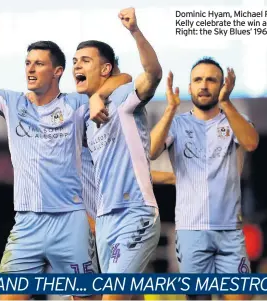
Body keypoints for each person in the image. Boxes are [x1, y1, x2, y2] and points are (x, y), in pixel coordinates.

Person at [0, 14, 131, 301]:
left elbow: (124, 78)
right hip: (27, 224)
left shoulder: (76, 104)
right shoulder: (10, 102)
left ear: (58, 72)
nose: (31, 69)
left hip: (70, 222)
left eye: (39, 64)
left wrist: (97, 96)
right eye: (27, 63)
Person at [150, 58, 259, 300]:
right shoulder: (177, 123)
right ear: (189, 87)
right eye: (198, 80)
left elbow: (251, 142)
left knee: (241, 298)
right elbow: (151, 151)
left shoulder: (233, 120)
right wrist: (169, 109)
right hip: (192, 231)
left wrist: (226, 103)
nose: (204, 85)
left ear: (222, 86)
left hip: (229, 229)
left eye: (211, 80)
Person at [73, 7, 162, 300]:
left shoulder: (123, 98)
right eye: (75, 62)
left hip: (135, 212)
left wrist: (135, 31)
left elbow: (152, 74)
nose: (77, 66)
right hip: (105, 220)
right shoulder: (86, 119)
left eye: (85, 61)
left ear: (105, 69)